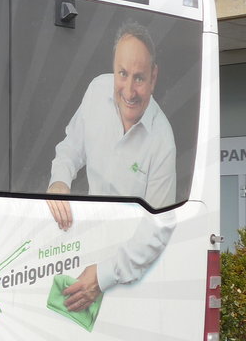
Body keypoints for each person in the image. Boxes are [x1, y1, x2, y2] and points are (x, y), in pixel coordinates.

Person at [46, 21, 176, 312]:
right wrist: (59, 181)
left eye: (140, 78)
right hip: (85, 248)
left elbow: (159, 226)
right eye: (123, 74)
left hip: (126, 275)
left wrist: (102, 277)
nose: (129, 91)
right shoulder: (96, 90)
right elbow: (71, 147)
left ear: (154, 77)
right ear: (114, 68)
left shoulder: (162, 140)